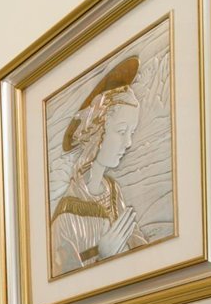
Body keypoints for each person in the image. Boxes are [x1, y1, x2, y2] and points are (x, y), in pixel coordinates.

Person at [48, 55, 148, 276]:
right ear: (98, 133)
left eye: (131, 133)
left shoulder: (113, 192)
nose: (128, 143)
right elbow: (62, 285)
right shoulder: (66, 216)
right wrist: (102, 255)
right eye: (121, 132)